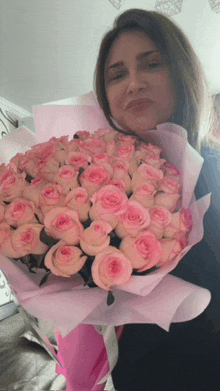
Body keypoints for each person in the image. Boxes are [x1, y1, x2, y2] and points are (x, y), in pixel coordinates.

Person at [94, 8, 220, 391]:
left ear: (181, 74)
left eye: (151, 65)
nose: (133, 84)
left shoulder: (212, 170)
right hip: (136, 373)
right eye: (117, 75)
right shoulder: (103, 185)